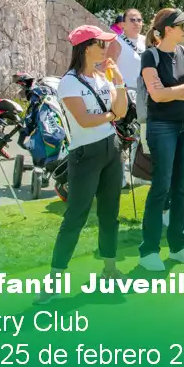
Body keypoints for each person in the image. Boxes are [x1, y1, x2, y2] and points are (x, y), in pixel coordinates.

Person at [40, 25, 128, 302]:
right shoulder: (69, 82)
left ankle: (110, 270)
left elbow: (122, 110)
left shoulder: (103, 77)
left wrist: (119, 82)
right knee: (75, 217)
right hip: (85, 154)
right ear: (85, 48)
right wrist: (111, 116)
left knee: (110, 214)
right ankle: (54, 281)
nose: (105, 49)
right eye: (100, 44)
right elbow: (85, 120)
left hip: (111, 149)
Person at [138, 8, 184, 271]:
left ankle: (179, 245)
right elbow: (157, 96)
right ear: (168, 29)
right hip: (162, 126)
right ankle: (149, 250)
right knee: (161, 186)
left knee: (181, 187)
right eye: (181, 26)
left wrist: (175, 92)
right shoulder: (150, 56)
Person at [105, 8, 146, 182]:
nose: (137, 23)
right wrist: (116, 92)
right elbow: (108, 69)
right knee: (122, 136)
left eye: (139, 20)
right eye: (132, 20)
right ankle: (119, 177)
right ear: (123, 24)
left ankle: (139, 174)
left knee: (140, 136)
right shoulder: (117, 42)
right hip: (123, 94)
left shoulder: (146, 41)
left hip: (142, 95)